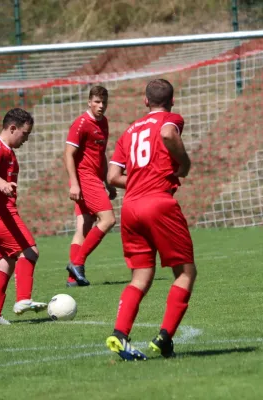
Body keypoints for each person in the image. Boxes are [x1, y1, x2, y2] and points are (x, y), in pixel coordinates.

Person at [105, 79, 197, 360]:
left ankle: (119, 335)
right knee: (185, 272)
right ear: (172, 100)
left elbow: (111, 177)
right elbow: (169, 134)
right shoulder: (171, 119)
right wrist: (185, 165)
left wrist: (138, 180)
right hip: (158, 202)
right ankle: (164, 337)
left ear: (145, 101)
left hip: (131, 206)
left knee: (141, 276)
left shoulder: (129, 132)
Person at [0, 108, 47, 326]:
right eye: (24, 133)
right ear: (12, 128)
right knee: (30, 251)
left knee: (4, 264)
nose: (26, 139)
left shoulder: (8, 152)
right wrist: (2, 183)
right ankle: (23, 299)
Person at [64, 86, 117, 287]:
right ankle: (77, 264)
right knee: (108, 219)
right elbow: (68, 154)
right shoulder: (81, 124)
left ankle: (73, 279)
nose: (101, 106)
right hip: (84, 179)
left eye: (104, 102)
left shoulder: (104, 123)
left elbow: (100, 155)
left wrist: (107, 182)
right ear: (89, 102)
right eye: (96, 101)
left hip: (95, 178)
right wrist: (75, 184)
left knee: (84, 226)